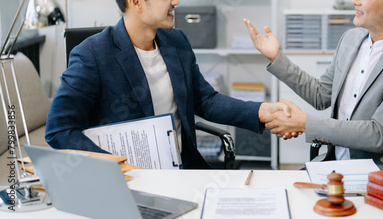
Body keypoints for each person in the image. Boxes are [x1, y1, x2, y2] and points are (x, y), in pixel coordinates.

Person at [45, 0, 289, 169]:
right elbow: (59, 130)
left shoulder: (177, 41)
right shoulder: (93, 54)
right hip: (130, 179)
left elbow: (204, 99)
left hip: (183, 171)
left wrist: (261, 111)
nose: (176, 2)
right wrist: (114, 166)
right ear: (136, 2)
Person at [245, 0, 383, 165]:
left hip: (379, 174)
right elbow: (321, 95)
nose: (354, 1)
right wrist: (277, 58)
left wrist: (304, 123)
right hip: (334, 165)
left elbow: (379, 135)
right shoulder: (351, 39)